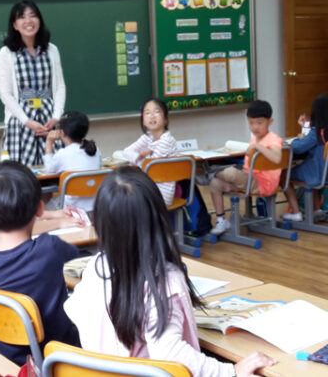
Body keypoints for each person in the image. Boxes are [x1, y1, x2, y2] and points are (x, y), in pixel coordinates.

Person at [65, 166, 276, 377]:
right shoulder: (163, 280)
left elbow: (73, 310)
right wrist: (230, 371)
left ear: (101, 222)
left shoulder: (96, 266)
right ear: (159, 216)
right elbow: (170, 352)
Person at [0, 161, 81, 366]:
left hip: (6, 352)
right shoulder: (50, 248)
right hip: (60, 353)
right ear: (40, 208)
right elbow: (79, 261)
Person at [0, 0, 66, 166]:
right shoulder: (7, 53)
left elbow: (59, 87)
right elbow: (5, 94)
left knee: (53, 169)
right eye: (22, 17)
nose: (28, 21)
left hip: (49, 120)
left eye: (33, 16)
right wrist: (27, 121)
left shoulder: (51, 49)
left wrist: (56, 116)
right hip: (21, 120)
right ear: (15, 25)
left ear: (39, 20)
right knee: (21, 175)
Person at [210, 100, 283, 235]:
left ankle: (209, 173)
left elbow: (277, 158)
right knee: (215, 184)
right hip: (249, 180)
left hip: (263, 183)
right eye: (251, 122)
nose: (255, 127)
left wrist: (258, 147)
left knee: (230, 173)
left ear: (270, 122)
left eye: (259, 123)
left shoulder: (273, 139)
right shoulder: (255, 138)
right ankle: (221, 220)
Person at [282, 93, 328, 221]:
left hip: (316, 173)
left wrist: (297, 139)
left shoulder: (316, 132)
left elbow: (297, 147)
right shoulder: (319, 132)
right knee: (310, 174)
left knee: (284, 175)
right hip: (324, 174)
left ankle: (295, 212)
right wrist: (304, 129)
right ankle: (316, 210)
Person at [123, 98, 177, 205]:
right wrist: (139, 157)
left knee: (124, 198)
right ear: (143, 120)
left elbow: (151, 168)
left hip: (161, 194)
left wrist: (141, 160)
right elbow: (126, 151)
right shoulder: (148, 137)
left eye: (157, 112)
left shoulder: (167, 140)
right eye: (147, 113)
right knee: (121, 193)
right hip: (148, 187)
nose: (152, 116)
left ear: (166, 119)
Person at [43, 111, 101, 211]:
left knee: (43, 206)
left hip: (72, 210)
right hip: (94, 208)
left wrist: (49, 142)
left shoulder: (63, 154)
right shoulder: (96, 150)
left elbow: (49, 170)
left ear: (62, 132)